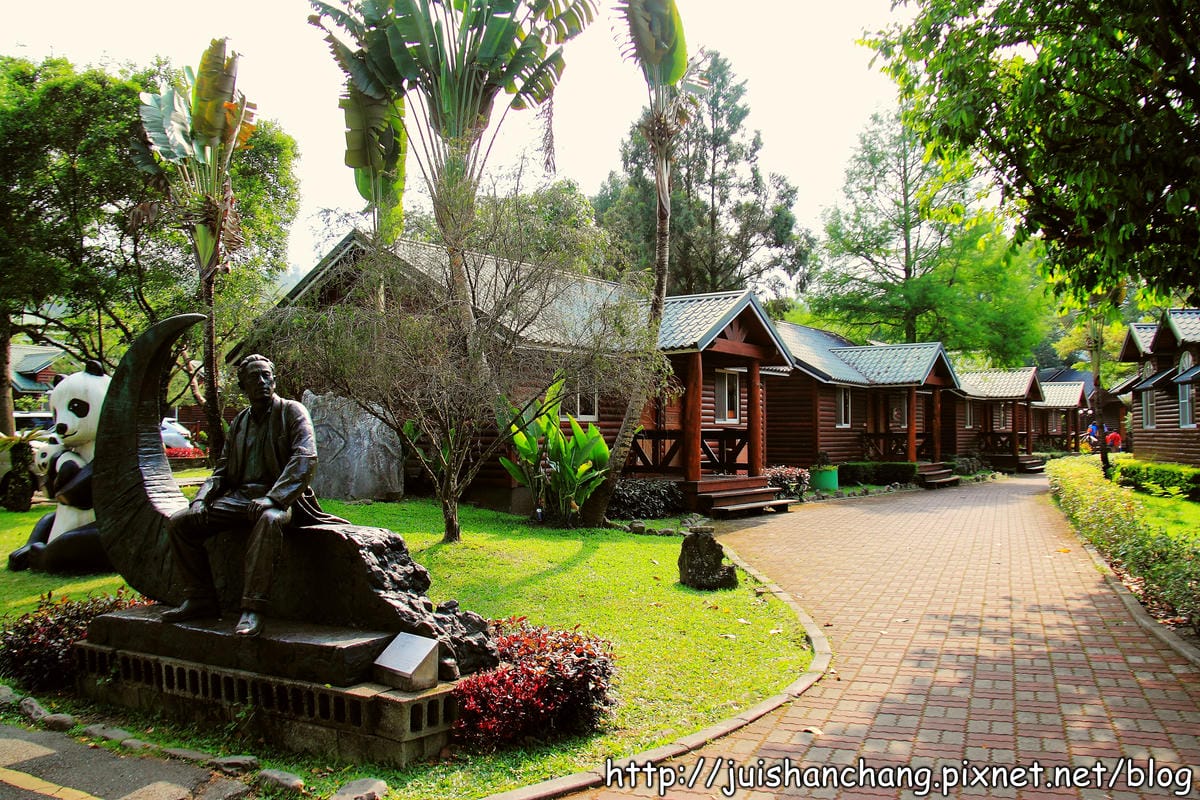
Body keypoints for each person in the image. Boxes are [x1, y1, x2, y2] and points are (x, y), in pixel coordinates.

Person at [160, 354, 341, 637]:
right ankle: (200, 598)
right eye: (254, 377)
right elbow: (221, 470)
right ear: (243, 386)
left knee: (268, 519)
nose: (261, 382)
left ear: (274, 380)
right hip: (240, 498)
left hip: (283, 499)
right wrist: (200, 500)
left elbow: (305, 458)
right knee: (180, 523)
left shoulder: (292, 412)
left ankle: (252, 609)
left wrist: (273, 498)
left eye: (266, 376)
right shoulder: (240, 423)